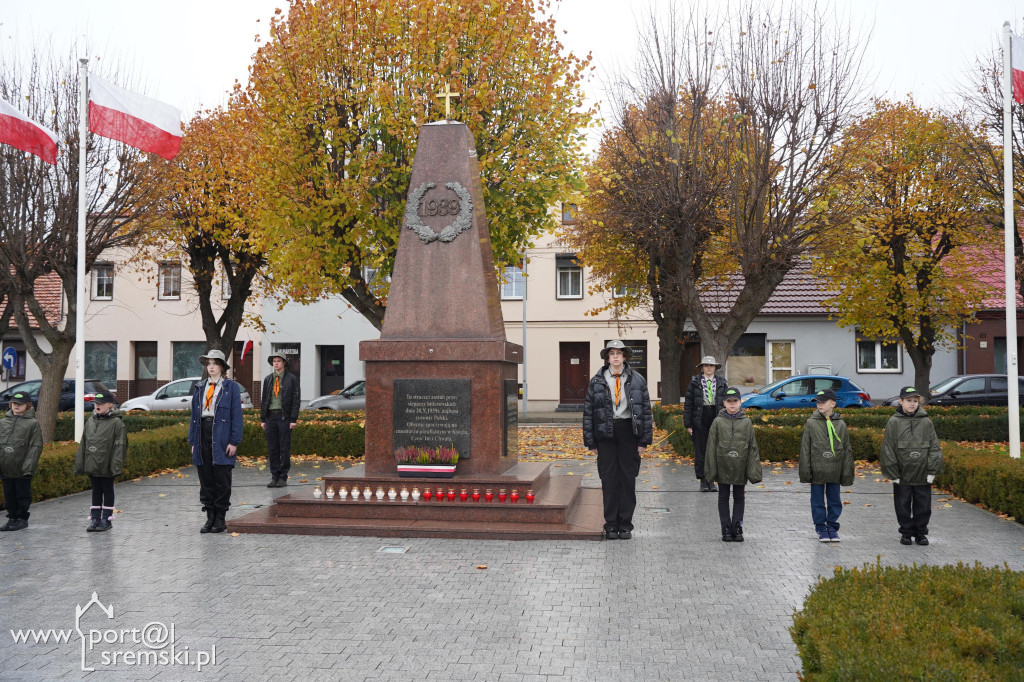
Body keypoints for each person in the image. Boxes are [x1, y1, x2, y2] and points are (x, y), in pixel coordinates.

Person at [583, 340, 653, 540]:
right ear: (607, 357)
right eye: (611, 353)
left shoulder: (637, 379)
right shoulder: (597, 380)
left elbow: (646, 411)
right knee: (609, 479)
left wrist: (643, 441)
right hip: (605, 433)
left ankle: (625, 525)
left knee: (627, 479)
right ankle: (611, 524)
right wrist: (591, 441)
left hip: (628, 432)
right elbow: (588, 412)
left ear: (624, 357)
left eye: (619, 353)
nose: (615, 357)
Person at [188, 349, 244, 534]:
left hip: (221, 434)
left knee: (221, 476)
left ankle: (220, 517)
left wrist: (234, 441)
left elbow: (237, 416)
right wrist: (193, 441)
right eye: (208, 364)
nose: (211, 367)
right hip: (202, 431)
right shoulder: (199, 387)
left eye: (215, 363)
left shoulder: (231, 387)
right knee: (205, 476)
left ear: (222, 366)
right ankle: (209, 516)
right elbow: (194, 416)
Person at [880, 386, 943, 546]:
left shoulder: (926, 422)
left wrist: (932, 470)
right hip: (903, 474)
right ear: (900, 401)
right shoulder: (893, 422)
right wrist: (893, 473)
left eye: (915, 401)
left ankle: (921, 532)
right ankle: (906, 532)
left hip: (922, 473)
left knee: (923, 505)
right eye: (909, 400)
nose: (912, 404)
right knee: (902, 505)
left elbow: (934, 447)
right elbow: (888, 448)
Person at [705, 386, 762, 542]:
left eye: (735, 401)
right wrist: (711, 470)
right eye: (729, 401)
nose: (732, 404)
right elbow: (711, 447)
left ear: (740, 402)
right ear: (724, 403)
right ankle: (725, 527)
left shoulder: (747, 423)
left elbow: (752, 447)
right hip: (722, 465)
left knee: (739, 497)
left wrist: (753, 469)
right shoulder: (717, 422)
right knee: (723, 497)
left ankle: (737, 526)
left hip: (740, 466)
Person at [798, 388, 853, 543]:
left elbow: (846, 450)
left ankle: (832, 527)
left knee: (834, 500)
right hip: (817, 470)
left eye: (823, 402)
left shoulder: (840, 424)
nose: (819, 404)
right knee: (817, 501)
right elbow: (805, 449)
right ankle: (821, 527)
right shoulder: (812, 423)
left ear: (833, 403)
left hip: (835, 470)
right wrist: (806, 471)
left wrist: (846, 472)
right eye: (818, 402)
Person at [72, 392, 127, 532]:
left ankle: (106, 519)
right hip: (92, 463)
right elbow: (84, 443)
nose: (97, 406)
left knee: (107, 490)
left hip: (106, 464)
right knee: (96, 490)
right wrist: (80, 463)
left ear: (110, 404)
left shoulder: (117, 423)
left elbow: (120, 446)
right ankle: (95, 518)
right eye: (96, 403)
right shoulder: (90, 421)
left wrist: (115, 465)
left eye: (101, 403)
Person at [683, 356, 728, 492]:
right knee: (701, 451)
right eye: (706, 365)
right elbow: (688, 405)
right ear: (702, 367)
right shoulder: (695, 383)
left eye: (711, 366)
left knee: (714, 451)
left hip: (716, 417)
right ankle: (703, 481)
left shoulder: (722, 382)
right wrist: (688, 424)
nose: (709, 368)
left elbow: (726, 403)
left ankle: (712, 480)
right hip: (700, 418)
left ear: (715, 368)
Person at [0, 392, 43, 532]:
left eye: (20, 404)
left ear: (27, 405)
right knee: (9, 494)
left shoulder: (32, 423)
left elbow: (35, 446)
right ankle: (12, 517)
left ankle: (21, 518)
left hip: (22, 467)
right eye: (14, 403)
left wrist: (28, 466)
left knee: (22, 494)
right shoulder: (3, 422)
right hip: (6, 465)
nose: (16, 406)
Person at [260, 352, 300, 488]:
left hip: (284, 417)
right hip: (270, 416)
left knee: (284, 448)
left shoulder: (291, 379)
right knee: (272, 449)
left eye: (278, 361)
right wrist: (263, 418)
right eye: (274, 361)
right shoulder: (268, 379)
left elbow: (296, 399)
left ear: (284, 363)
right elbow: (264, 399)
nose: (275, 363)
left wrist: (293, 419)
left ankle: (283, 477)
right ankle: (274, 476)